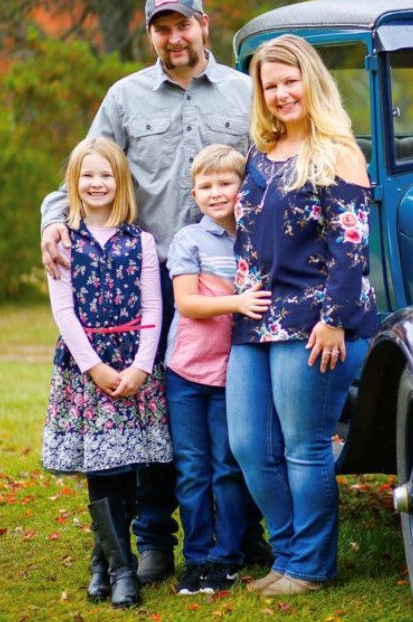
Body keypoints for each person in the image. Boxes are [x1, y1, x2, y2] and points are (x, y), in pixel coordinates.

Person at [39, 0, 270, 584]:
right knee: (158, 414)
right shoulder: (126, 98)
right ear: (151, 36)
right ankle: (153, 542)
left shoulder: (245, 94)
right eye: (162, 29)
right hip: (154, 280)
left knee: (239, 405)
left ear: (204, 24)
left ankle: (242, 532)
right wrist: (51, 223)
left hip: (234, 278)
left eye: (183, 24)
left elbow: (274, 173)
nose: (174, 38)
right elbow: (87, 170)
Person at [226, 34, 378, 597]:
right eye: (271, 85)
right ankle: (287, 554)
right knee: (248, 445)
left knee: (304, 445)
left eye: (291, 81)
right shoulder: (258, 154)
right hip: (255, 319)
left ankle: (311, 566)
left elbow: (352, 244)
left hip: (317, 319)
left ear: (311, 82)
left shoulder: (337, 151)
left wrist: (335, 318)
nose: (282, 93)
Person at [41, 138, 172, 608]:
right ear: (74, 183)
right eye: (87, 176)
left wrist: (139, 365)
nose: (97, 184)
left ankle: (102, 561)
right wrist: (94, 367)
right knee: (102, 464)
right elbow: (63, 311)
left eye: (107, 175)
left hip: (133, 362)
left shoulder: (141, 241)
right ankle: (121, 572)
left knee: (129, 462)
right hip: (88, 366)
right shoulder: (64, 241)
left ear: (121, 182)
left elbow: (154, 307)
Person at [165, 144, 273, 594]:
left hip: (235, 372)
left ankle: (226, 557)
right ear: (194, 193)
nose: (215, 192)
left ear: (242, 187)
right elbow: (187, 303)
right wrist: (237, 301)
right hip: (187, 372)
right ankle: (197, 557)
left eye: (225, 183)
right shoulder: (190, 240)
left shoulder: (258, 236)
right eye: (205, 186)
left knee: (228, 466)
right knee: (193, 468)